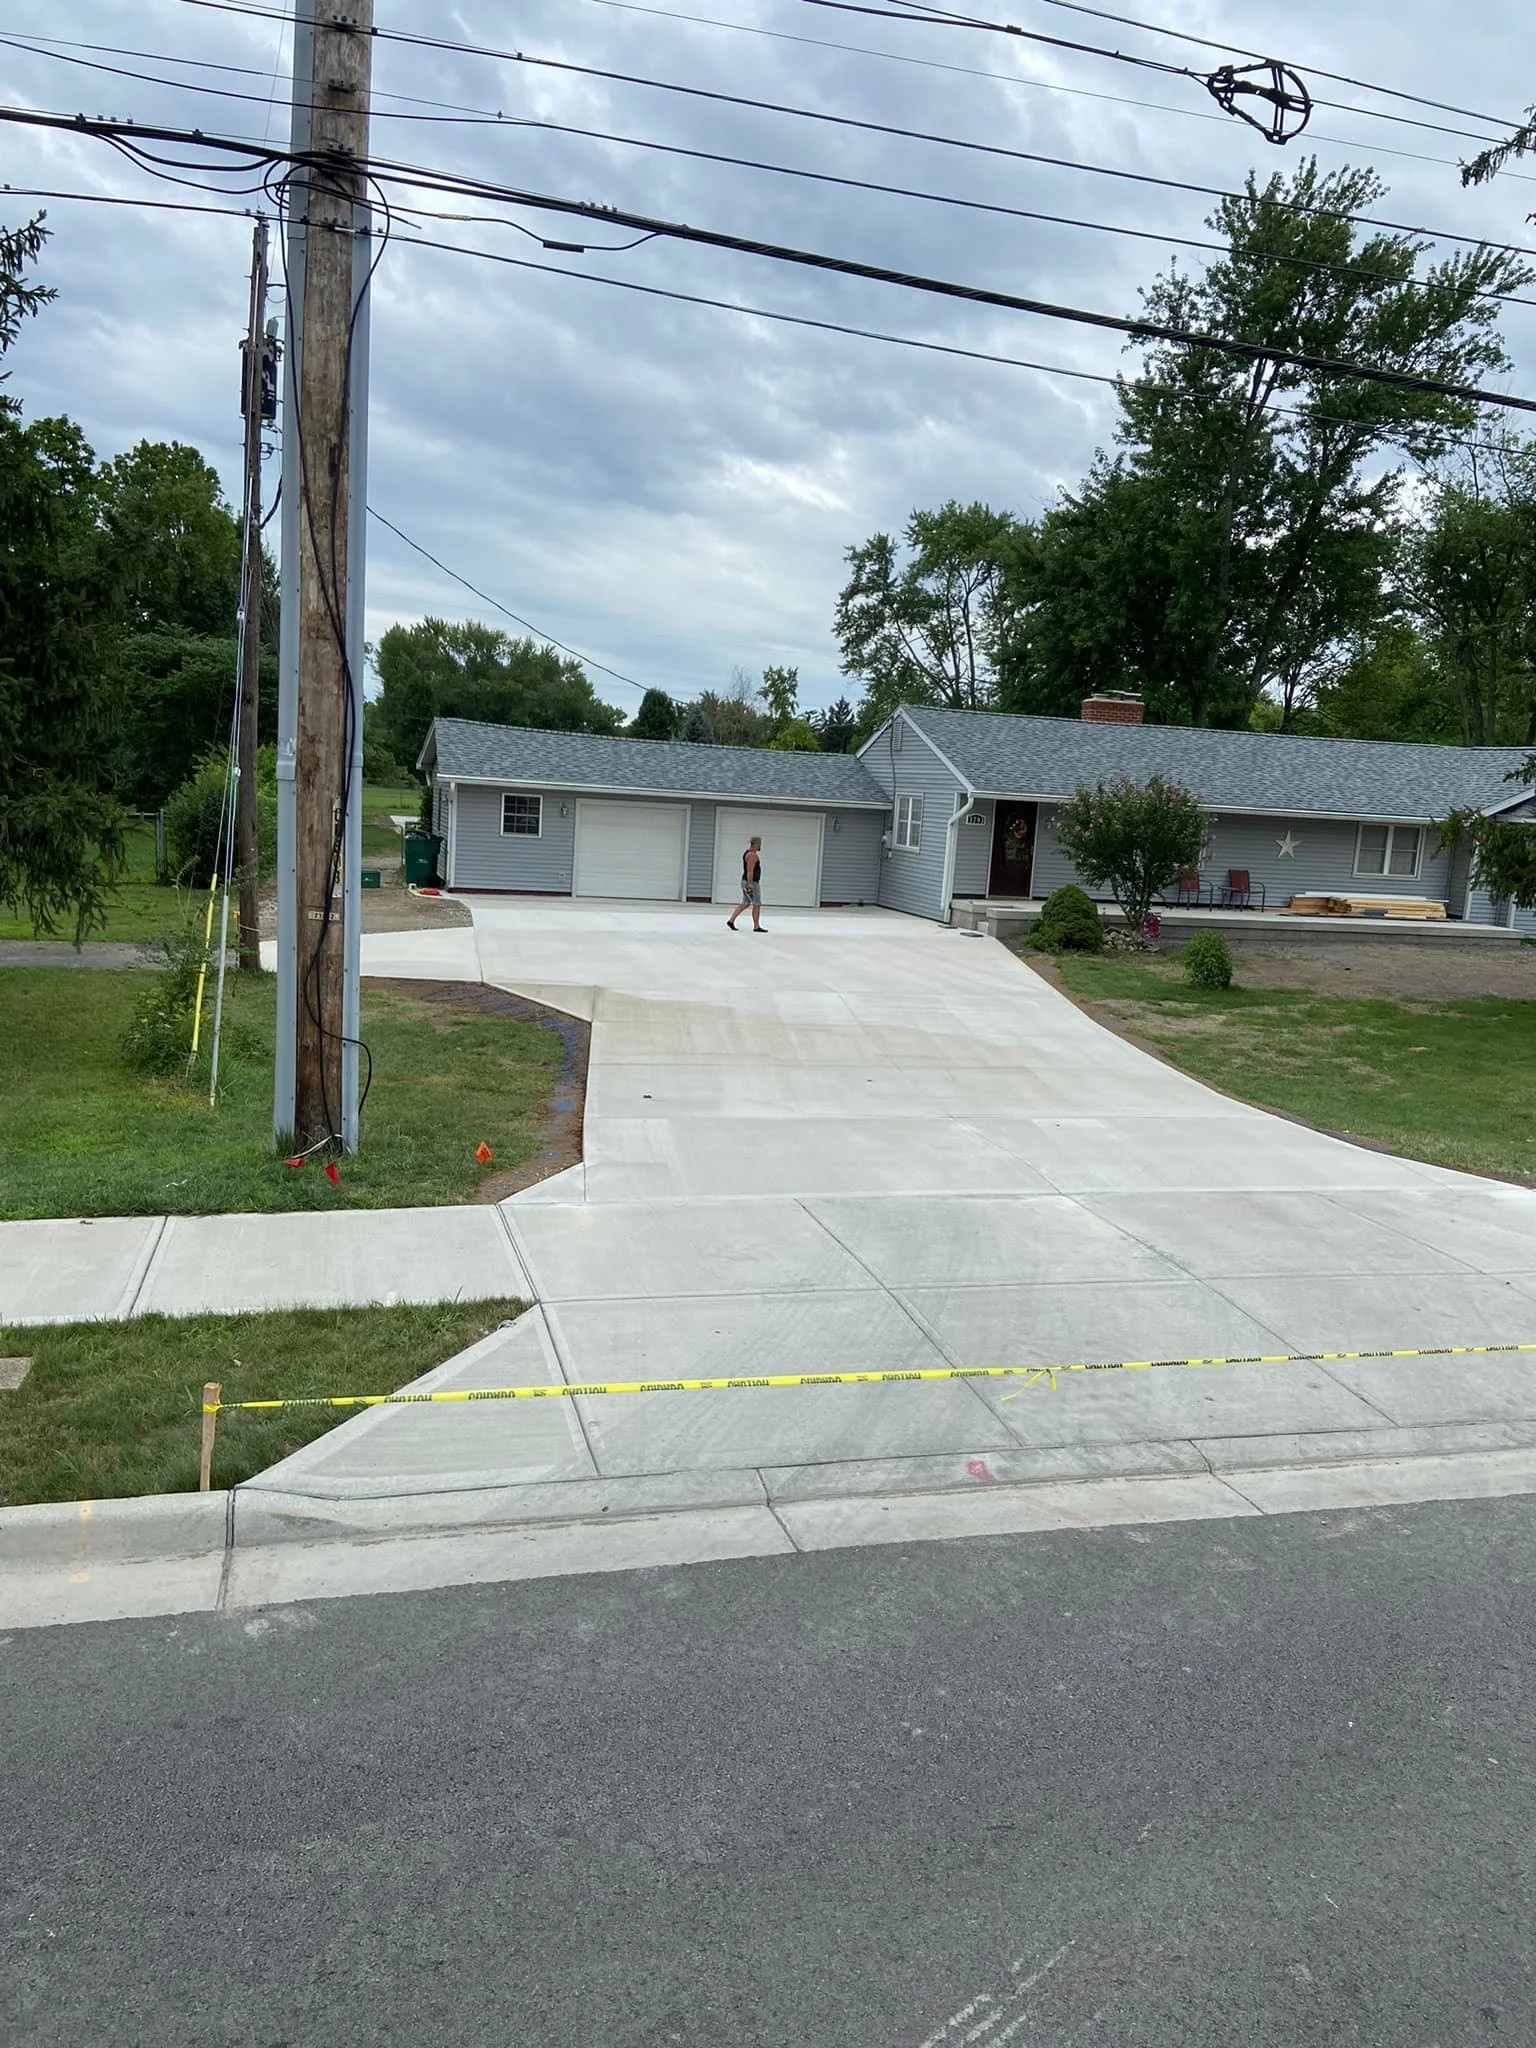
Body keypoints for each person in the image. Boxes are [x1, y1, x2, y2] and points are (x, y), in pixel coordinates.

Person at [726, 835, 765, 931]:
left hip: (746, 881)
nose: (760, 846)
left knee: (746, 903)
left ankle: (731, 920)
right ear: (756, 844)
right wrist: (750, 884)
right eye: (759, 844)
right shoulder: (752, 855)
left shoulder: (748, 853)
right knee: (757, 903)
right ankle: (756, 926)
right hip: (752, 882)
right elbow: (750, 870)